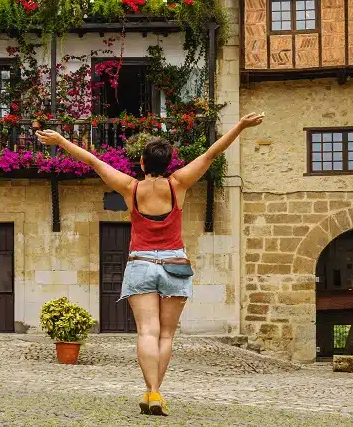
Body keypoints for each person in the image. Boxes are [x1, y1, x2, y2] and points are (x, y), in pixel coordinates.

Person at [36, 112, 264, 416]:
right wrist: (241, 125)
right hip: (175, 265)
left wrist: (60, 140)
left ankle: (152, 391)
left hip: (141, 264)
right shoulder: (179, 184)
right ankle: (157, 392)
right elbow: (212, 153)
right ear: (167, 164)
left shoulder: (131, 188)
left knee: (147, 332)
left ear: (142, 163)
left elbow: (92, 160)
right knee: (167, 334)